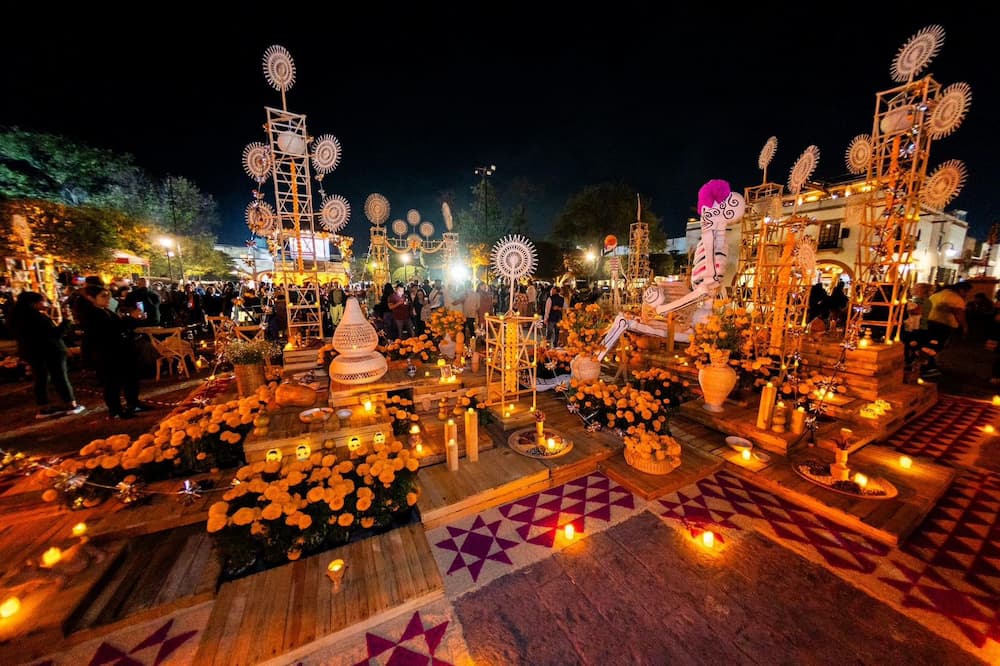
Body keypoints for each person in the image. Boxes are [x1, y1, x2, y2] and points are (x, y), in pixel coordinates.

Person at [77, 285, 152, 419]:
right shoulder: (91, 315)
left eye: (108, 295)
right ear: (91, 298)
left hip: (121, 350)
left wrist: (134, 320)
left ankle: (133, 403)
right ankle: (116, 410)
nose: (108, 299)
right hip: (107, 353)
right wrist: (130, 319)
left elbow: (120, 326)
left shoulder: (105, 310)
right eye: (103, 296)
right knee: (112, 383)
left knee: (131, 378)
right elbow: (111, 330)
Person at [10, 291, 85, 419]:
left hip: (32, 352)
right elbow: (55, 334)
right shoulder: (37, 317)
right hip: (51, 351)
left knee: (40, 379)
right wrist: (66, 321)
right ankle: (71, 404)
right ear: (34, 303)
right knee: (60, 377)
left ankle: (43, 407)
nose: (45, 304)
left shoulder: (15, 318)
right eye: (42, 301)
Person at [924, 281, 972, 377]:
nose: (966, 294)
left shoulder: (937, 295)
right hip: (942, 325)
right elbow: (959, 314)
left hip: (928, 323)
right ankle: (926, 366)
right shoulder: (955, 299)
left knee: (929, 344)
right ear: (961, 290)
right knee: (936, 346)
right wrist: (965, 327)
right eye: (966, 292)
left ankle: (927, 365)